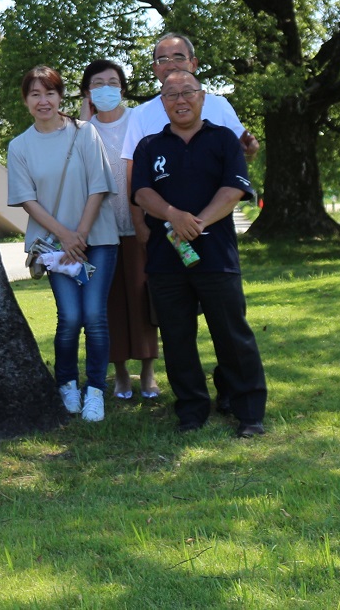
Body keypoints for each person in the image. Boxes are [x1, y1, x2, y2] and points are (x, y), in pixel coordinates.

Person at [131, 70, 266, 437]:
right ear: (163, 103)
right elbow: (142, 193)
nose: (180, 100)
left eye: (187, 92)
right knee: (176, 338)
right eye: (171, 95)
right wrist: (173, 215)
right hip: (165, 258)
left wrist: (199, 221)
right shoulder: (149, 146)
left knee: (232, 334)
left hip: (217, 255)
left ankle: (249, 412)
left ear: (202, 97)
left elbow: (235, 188)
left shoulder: (224, 140)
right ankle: (191, 411)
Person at [7, 65, 120, 422]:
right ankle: (68, 385)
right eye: (36, 94)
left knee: (94, 316)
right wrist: (66, 237)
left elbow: (99, 186)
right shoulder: (20, 146)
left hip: (97, 239)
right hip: (55, 248)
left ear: (61, 96)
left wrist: (81, 234)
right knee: (70, 317)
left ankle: (96, 391)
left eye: (50, 93)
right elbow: (28, 200)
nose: (44, 101)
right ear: (26, 101)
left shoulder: (84, 133)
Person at [118, 32, 259, 248]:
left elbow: (241, 157)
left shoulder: (219, 105)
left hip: (216, 227)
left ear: (193, 63)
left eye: (178, 57)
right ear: (155, 68)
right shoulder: (141, 114)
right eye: (162, 60)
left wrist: (250, 150)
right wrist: (139, 223)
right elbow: (132, 174)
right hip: (162, 228)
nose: (171, 64)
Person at [78, 59, 156, 402]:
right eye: (98, 83)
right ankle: (121, 374)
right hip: (101, 232)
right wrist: (83, 118)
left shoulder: (139, 120)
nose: (106, 88)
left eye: (113, 82)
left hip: (141, 226)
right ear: (88, 92)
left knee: (143, 299)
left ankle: (149, 372)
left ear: (122, 87)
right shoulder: (82, 129)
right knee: (109, 304)